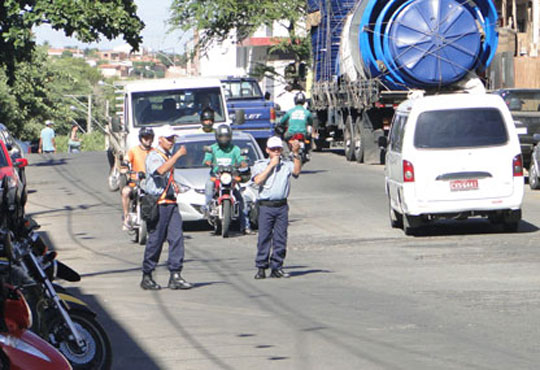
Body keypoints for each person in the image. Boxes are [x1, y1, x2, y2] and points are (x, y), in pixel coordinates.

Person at [140, 129, 192, 290]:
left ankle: (175, 274)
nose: (171, 142)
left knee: (177, 238)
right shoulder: (154, 156)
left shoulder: (168, 156)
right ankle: (147, 275)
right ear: (160, 139)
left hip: (170, 202)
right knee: (155, 240)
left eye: (173, 139)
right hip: (158, 203)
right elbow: (160, 171)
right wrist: (177, 156)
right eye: (168, 139)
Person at [252, 136, 302, 279]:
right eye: (273, 149)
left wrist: (296, 154)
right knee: (264, 237)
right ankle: (261, 267)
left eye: (278, 149)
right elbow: (258, 180)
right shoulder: (260, 165)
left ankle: (277, 266)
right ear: (267, 150)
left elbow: (297, 171)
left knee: (280, 238)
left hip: (281, 206)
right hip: (266, 206)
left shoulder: (286, 165)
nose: (276, 152)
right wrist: (271, 166)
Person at [203, 124, 252, 234]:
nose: (224, 139)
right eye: (221, 136)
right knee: (208, 185)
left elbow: (240, 159)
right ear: (217, 137)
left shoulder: (235, 149)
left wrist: (242, 163)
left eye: (226, 136)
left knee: (241, 198)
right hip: (216, 176)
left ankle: (246, 226)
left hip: (230, 177)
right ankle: (207, 208)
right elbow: (207, 159)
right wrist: (209, 162)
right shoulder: (213, 148)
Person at [121, 127, 154, 230]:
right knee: (125, 192)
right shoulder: (134, 150)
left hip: (151, 184)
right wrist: (125, 167)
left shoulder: (155, 151)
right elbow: (126, 160)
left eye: (149, 137)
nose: (147, 140)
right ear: (141, 138)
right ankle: (127, 217)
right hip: (135, 183)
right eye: (145, 137)